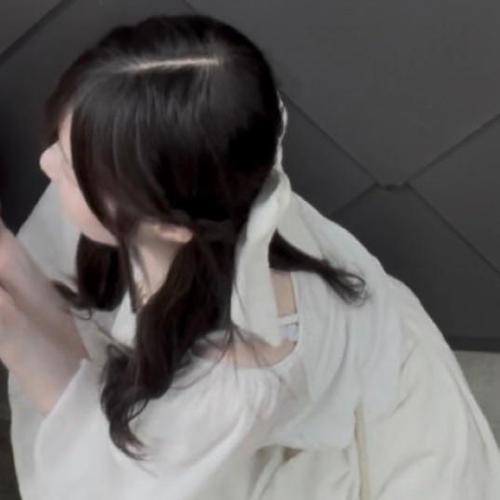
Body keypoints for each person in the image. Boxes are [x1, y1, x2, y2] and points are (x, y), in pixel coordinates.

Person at [2, 12, 499, 500]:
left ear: (170, 225)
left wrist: (21, 345)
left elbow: (115, 484)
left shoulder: (235, 375)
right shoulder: (223, 164)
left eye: (71, 169)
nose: (46, 162)